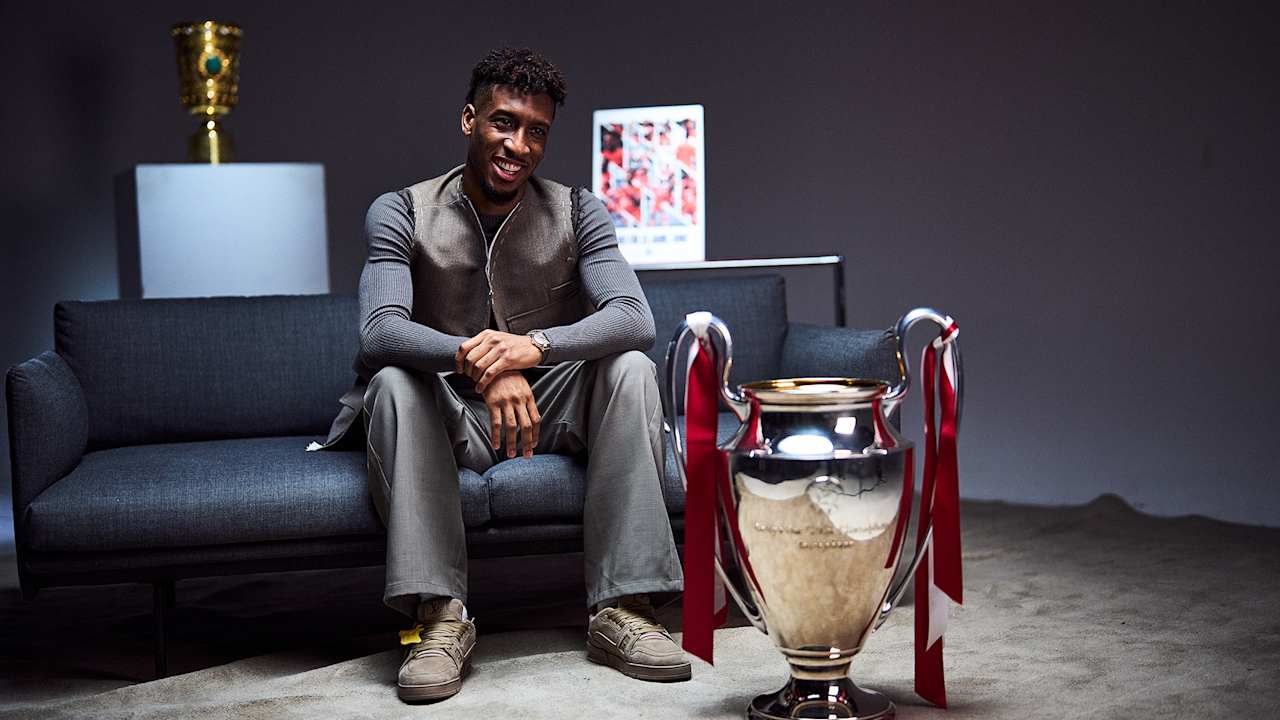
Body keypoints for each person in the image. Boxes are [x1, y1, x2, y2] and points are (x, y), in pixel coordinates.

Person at [316, 47, 688, 703]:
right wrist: (483, 361)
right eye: (503, 122)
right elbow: (380, 330)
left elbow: (634, 318)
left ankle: (624, 609)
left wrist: (532, 349)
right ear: (470, 120)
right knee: (393, 381)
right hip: (446, 415)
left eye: (536, 131)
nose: (518, 145)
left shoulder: (579, 211)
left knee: (630, 367)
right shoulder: (400, 210)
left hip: (550, 410)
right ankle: (439, 619)